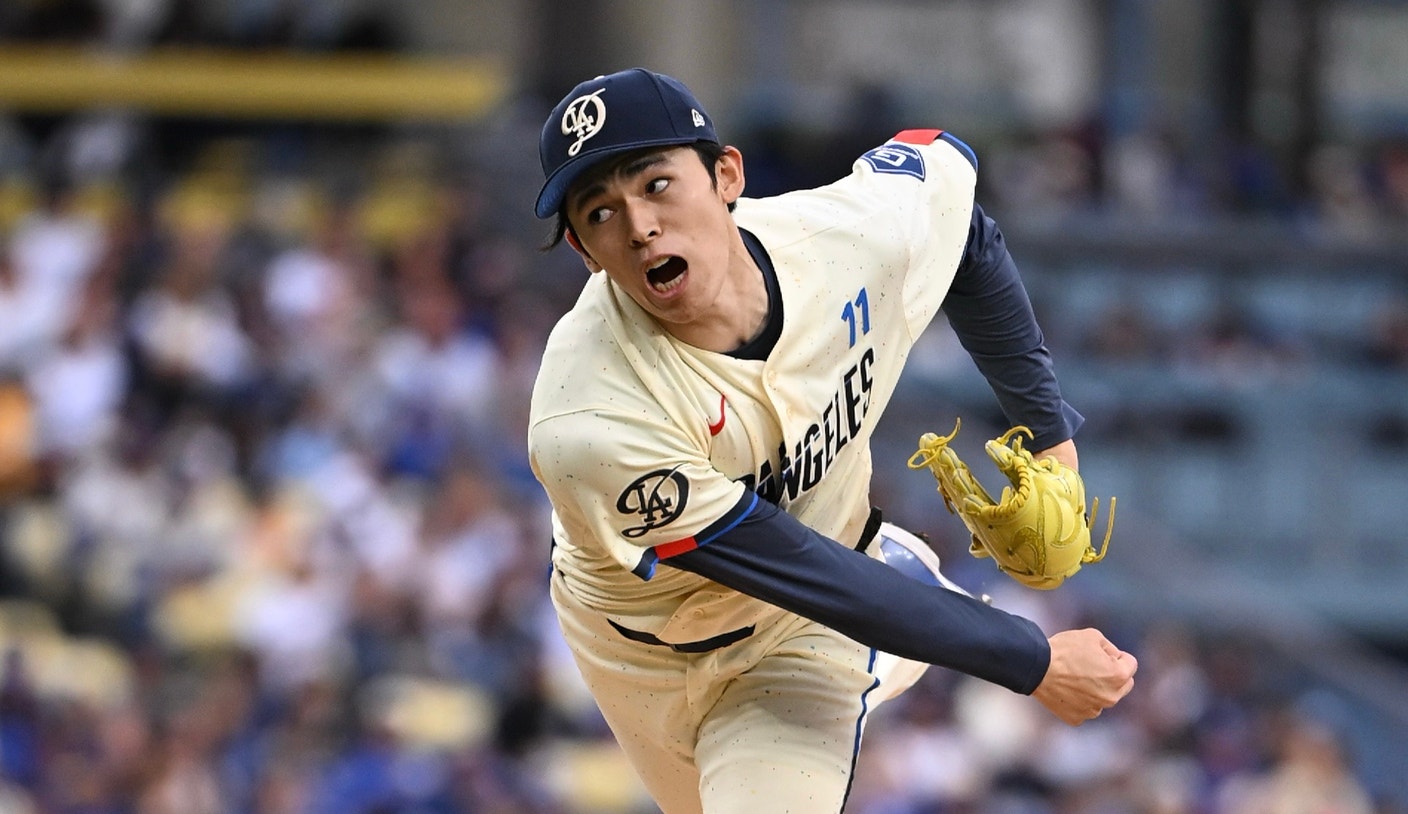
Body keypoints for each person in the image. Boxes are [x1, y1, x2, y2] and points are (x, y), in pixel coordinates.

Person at [527, 68, 1136, 814]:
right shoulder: (588, 415)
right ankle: (901, 585)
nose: (639, 226)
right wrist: (1030, 657)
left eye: (656, 184)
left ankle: (891, 592)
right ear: (585, 252)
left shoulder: (840, 240)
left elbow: (959, 215)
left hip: (802, 635)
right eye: (599, 212)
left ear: (727, 175)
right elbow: (792, 564)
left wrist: (1049, 440)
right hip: (637, 652)